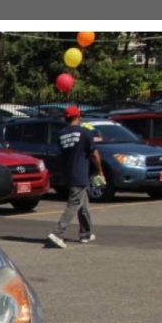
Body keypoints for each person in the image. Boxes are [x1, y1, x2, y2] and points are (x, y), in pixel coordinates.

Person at [47, 105, 104, 248]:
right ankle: (57, 233)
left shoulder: (61, 134)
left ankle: (86, 233)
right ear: (78, 116)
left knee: (83, 204)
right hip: (80, 173)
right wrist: (100, 171)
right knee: (73, 204)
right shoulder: (84, 133)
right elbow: (94, 154)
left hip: (69, 173)